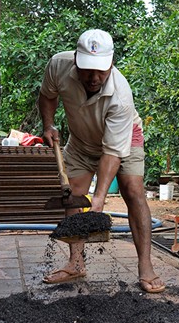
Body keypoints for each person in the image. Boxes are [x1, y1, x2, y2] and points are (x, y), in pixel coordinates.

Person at [37, 29, 166, 293]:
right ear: (75, 60)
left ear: (111, 63)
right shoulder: (58, 65)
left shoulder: (121, 95)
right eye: (88, 70)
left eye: (101, 71)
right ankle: (75, 263)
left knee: (133, 190)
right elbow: (47, 95)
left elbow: (112, 153)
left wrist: (100, 199)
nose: (94, 78)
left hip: (124, 140)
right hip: (82, 140)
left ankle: (145, 266)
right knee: (73, 194)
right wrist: (48, 125)